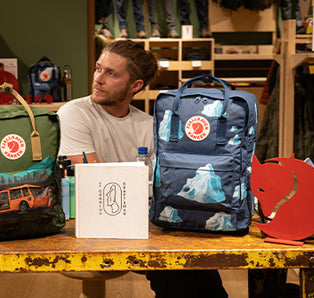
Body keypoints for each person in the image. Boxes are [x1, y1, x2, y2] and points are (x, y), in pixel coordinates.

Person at [57, 39, 228, 297]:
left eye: (111, 73)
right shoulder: (74, 113)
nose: (98, 79)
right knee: (178, 273)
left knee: (193, 263)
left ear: (135, 86)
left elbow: (161, 188)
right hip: (89, 225)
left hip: (141, 226)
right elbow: (92, 185)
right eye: (98, 68)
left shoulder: (149, 124)